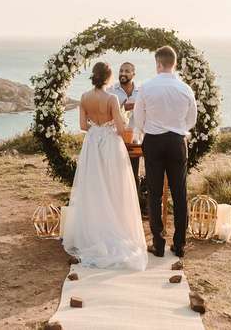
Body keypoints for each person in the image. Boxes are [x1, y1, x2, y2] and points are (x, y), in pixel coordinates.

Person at [61, 61, 148, 270]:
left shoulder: (84, 97)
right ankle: (114, 226)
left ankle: (93, 230)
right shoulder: (112, 98)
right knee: (113, 185)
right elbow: (120, 128)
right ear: (108, 78)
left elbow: (83, 126)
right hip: (110, 143)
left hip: (92, 143)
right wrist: (118, 121)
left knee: (94, 186)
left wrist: (97, 127)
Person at [132, 46, 197, 258]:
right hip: (177, 141)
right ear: (174, 64)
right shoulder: (185, 89)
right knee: (180, 194)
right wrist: (178, 129)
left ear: (158, 64)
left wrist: (147, 129)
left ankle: (158, 244)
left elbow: (139, 120)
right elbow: (192, 120)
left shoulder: (146, 87)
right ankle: (179, 245)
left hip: (153, 141)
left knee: (154, 192)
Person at [108, 61, 141, 184]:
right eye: (121, 71)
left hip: (135, 140)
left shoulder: (141, 91)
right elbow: (106, 112)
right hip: (116, 138)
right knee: (116, 177)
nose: (123, 73)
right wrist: (121, 108)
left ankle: (134, 202)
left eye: (127, 71)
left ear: (134, 74)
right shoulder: (111, 90)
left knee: (133, 176)